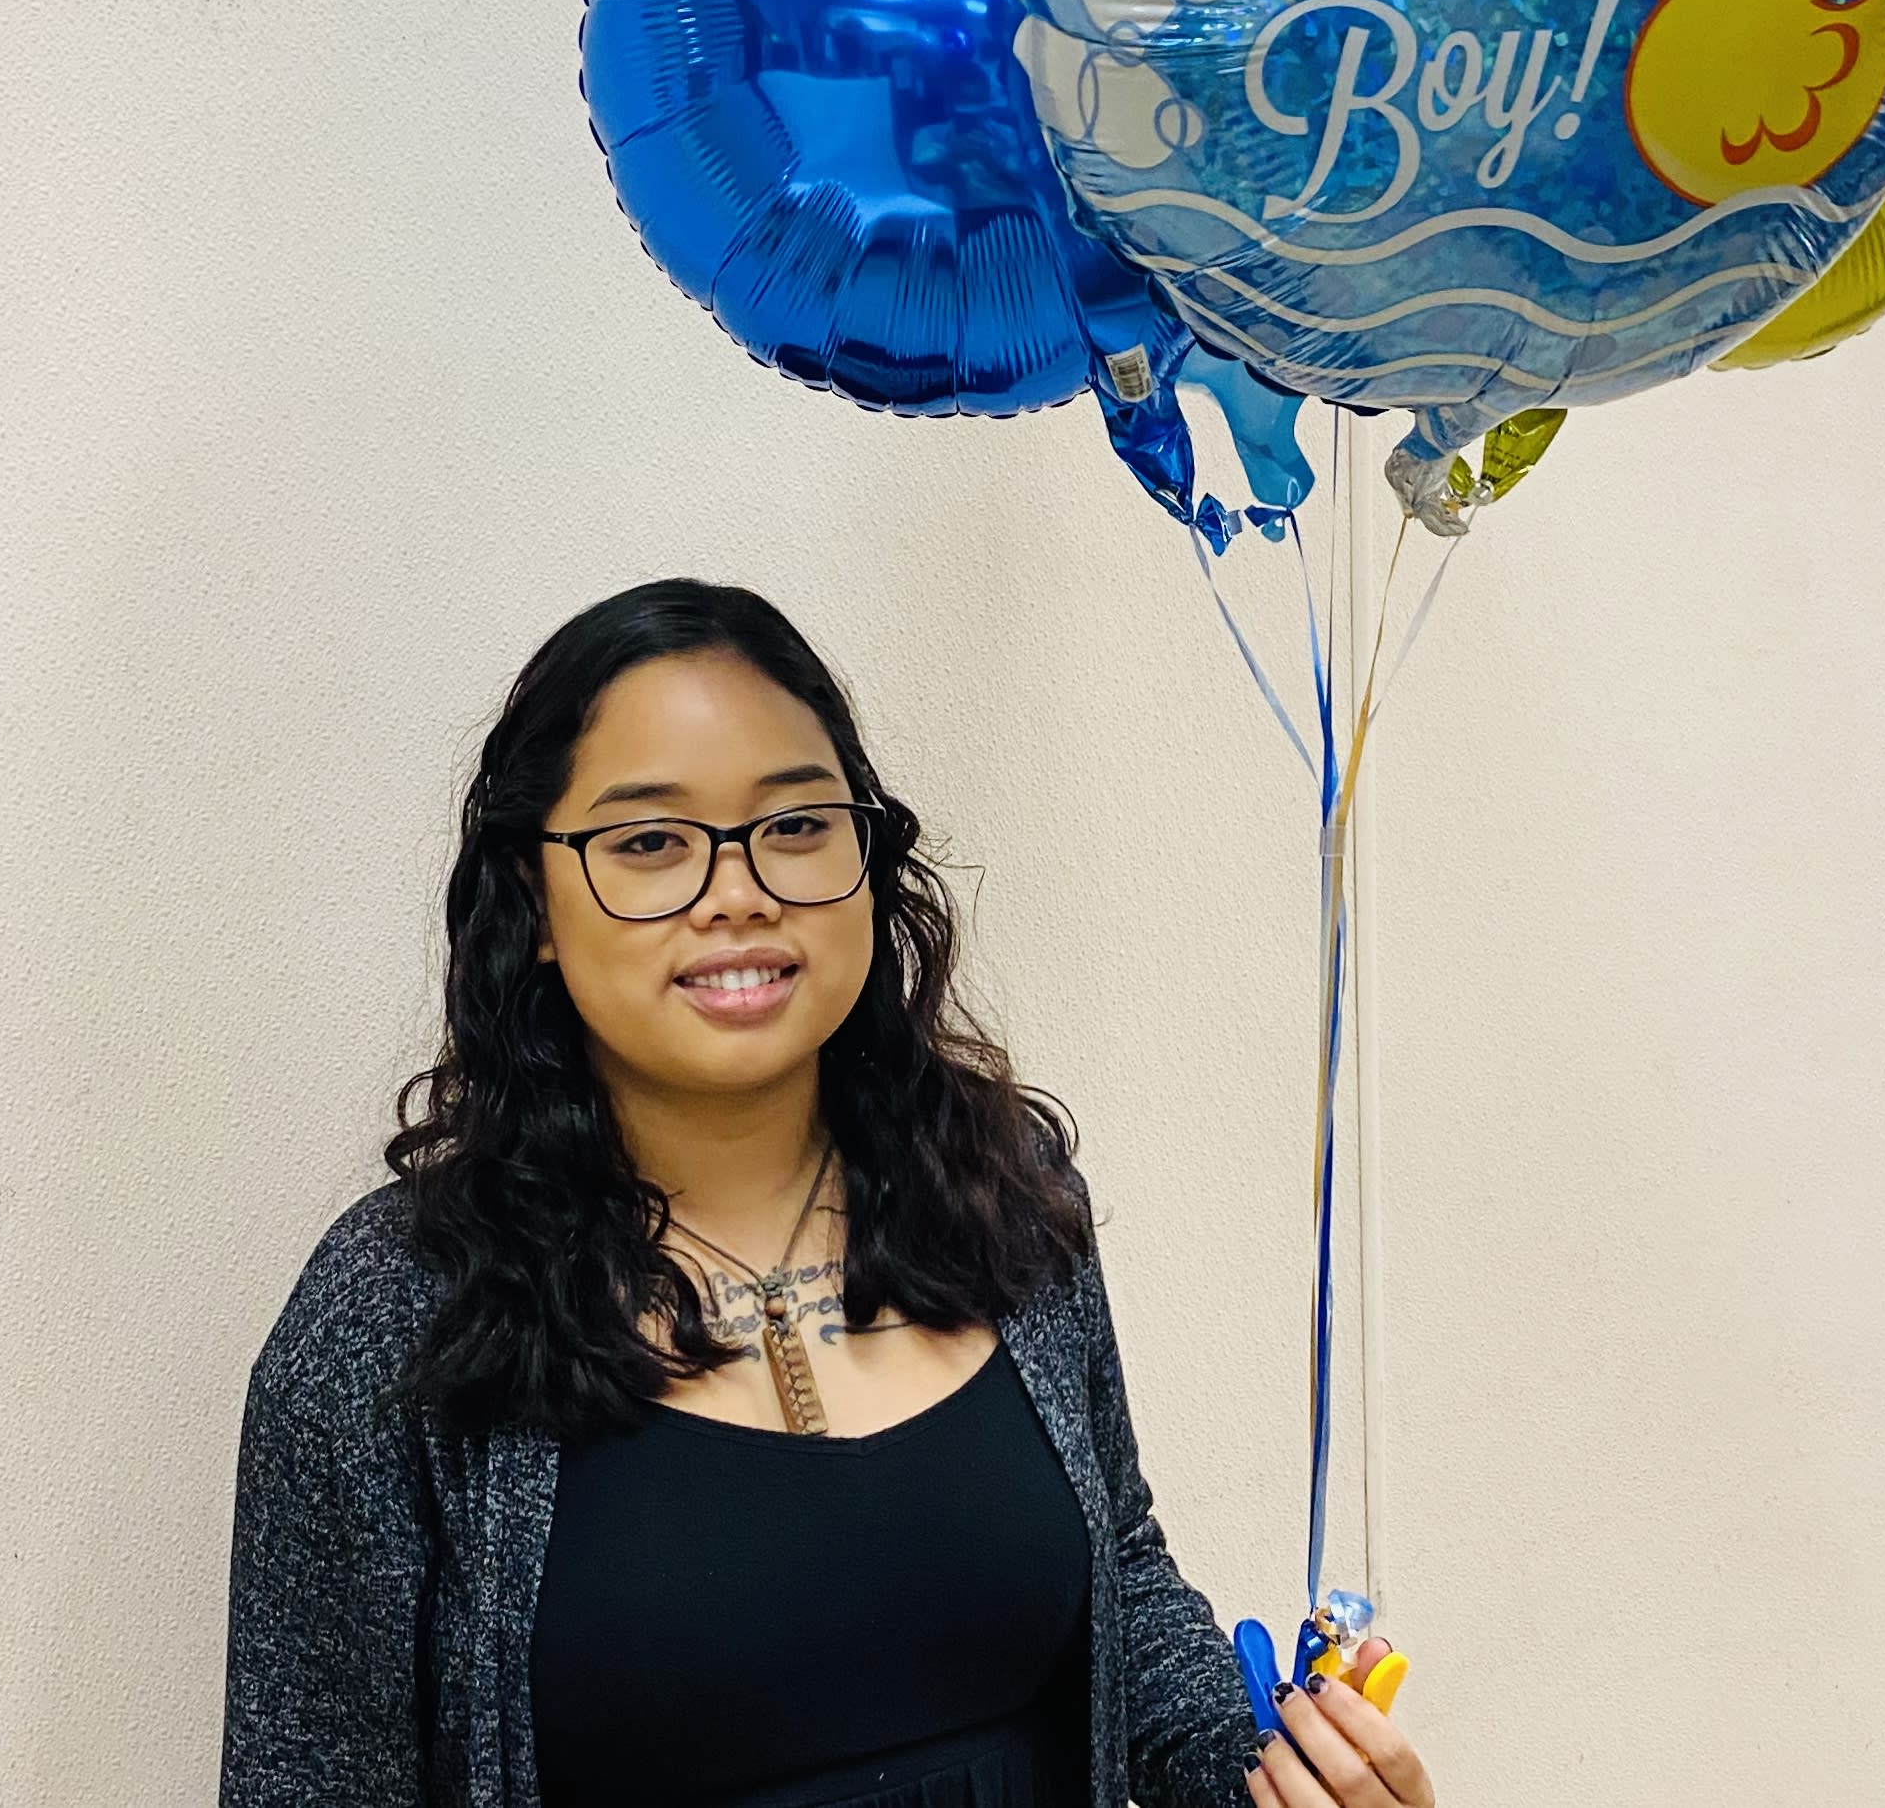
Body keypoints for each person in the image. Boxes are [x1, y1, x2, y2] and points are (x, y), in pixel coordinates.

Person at [220, 578, 1438, 1808]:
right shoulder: (391, 1310)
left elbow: (1117, 1593)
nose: (737, 891)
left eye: (796, 825)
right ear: (531, 903)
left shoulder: (1000, 1193)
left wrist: (1270, 1776)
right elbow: (306, 1780)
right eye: (648, 842)